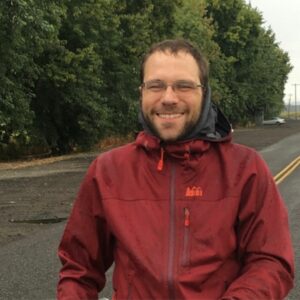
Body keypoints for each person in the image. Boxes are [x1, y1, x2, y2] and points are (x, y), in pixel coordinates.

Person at [57, 39, 294, 299]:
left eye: (184, 86)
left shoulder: (246, 169)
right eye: (156, 86)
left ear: (205, 93)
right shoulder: (107, 171)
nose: (168, 98)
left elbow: (270, 261)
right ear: (142, 92)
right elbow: (78, 270)